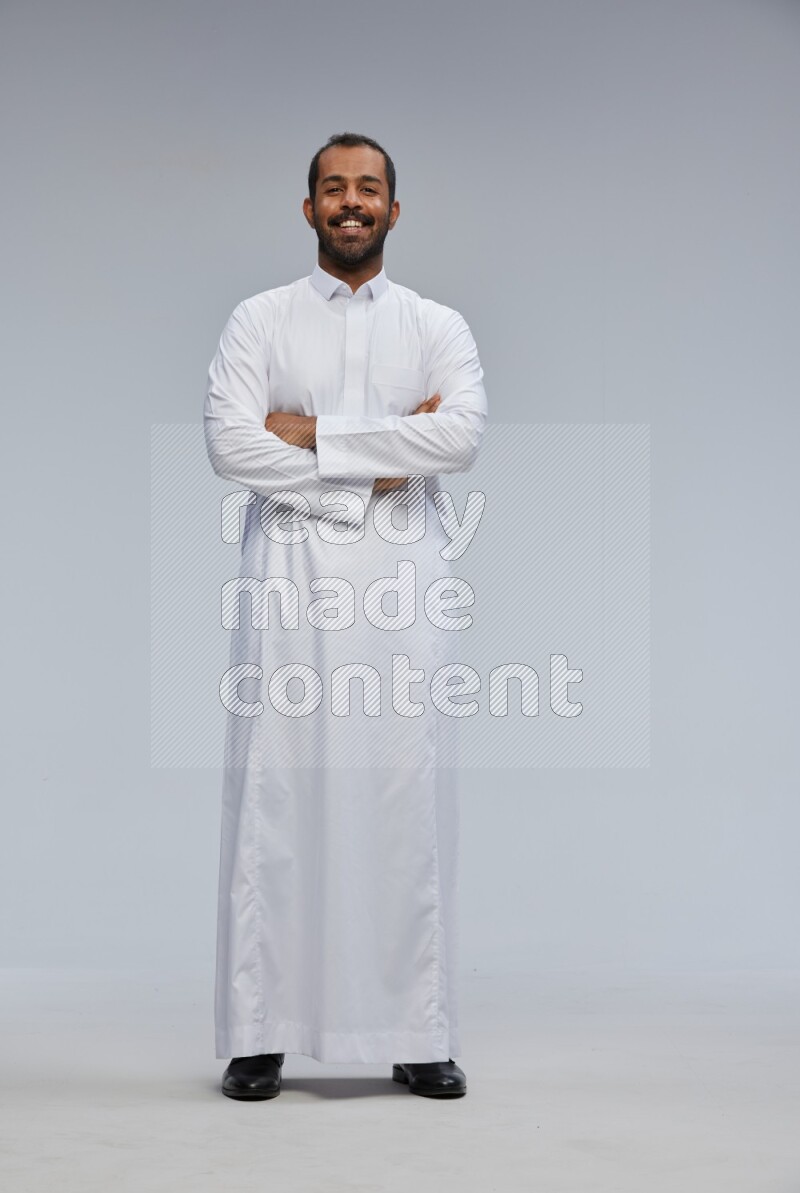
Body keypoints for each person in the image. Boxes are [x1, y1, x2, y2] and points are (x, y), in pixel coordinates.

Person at [204, 132, 488, 1100]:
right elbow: (232, 447)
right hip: (288, 582)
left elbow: (458, 435)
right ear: (308, 207)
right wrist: (374, 465)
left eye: (368, 189)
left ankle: (416, 1030)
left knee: (400, 793)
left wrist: (315, 435)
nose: (351, 202)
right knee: (279, 795)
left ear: (394, 211)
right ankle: (259, 1030)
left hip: (402, 585)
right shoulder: (260, 320)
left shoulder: (436, 323)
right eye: (334, 188)